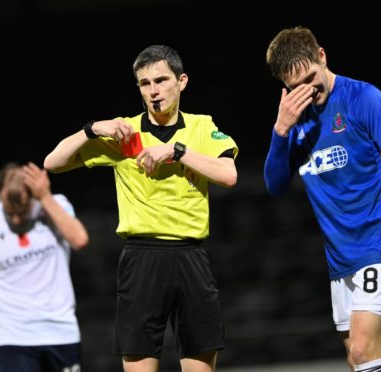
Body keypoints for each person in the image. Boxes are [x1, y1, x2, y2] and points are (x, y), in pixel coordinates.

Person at [263, 26, 381, 372]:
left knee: (363, 352)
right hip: (340, 257)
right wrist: (280, 131)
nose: (306, 90)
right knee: (357, 360)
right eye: (295, 87)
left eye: (310, 78)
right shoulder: (295, 119)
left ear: (322, 56)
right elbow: (275, 186)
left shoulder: (364, 99)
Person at [43, 44, 238, 372]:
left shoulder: (202, 127)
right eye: (145, 84)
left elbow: (228, 175)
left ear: (182, 81)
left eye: (161, 80)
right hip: (141, 259)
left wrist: (175, 151)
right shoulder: (125, 133)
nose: (154, 90)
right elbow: (53, 162)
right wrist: (91, 129)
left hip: (191, 257)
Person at [0, 162, 89, 371]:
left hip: (61, 331)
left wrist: (45, 197)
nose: (16, 218)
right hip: (13, 337)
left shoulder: (55, 205)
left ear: (33, 194)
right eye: (9, 211)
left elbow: (79, 239)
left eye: (21, 210)